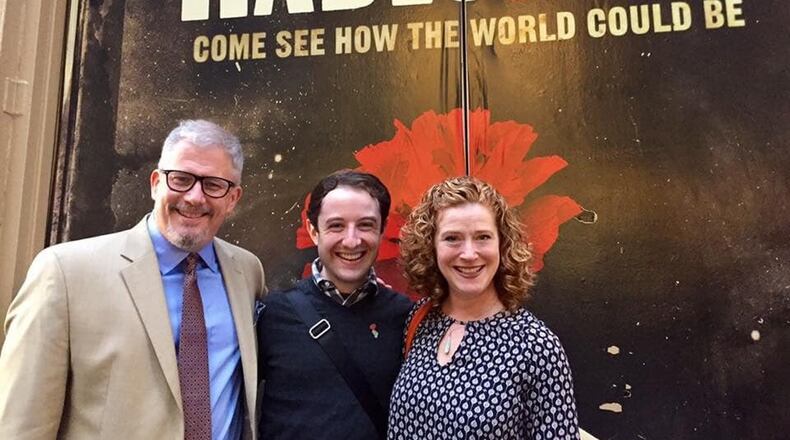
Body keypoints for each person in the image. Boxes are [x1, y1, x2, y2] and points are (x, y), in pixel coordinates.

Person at [0, 120, 266, 439]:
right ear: (156, 183)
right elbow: (21, 424)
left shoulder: (247, 273)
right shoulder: (64, 272)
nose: (195, 197)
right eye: (181, 179)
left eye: (213, 185)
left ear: (233, 198)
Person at [388, 176, 579, 440]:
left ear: (502, 244)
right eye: (452, 238)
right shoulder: (421, 318)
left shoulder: (536, 347)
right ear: (431, 247)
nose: (468, 253)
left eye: (482, 237)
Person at [257, 170, 412, 440]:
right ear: (313, 231)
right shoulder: (272, 315)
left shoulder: (404, 318)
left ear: (382, 230)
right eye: (336, 226)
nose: (351, 240)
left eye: (365, 225)